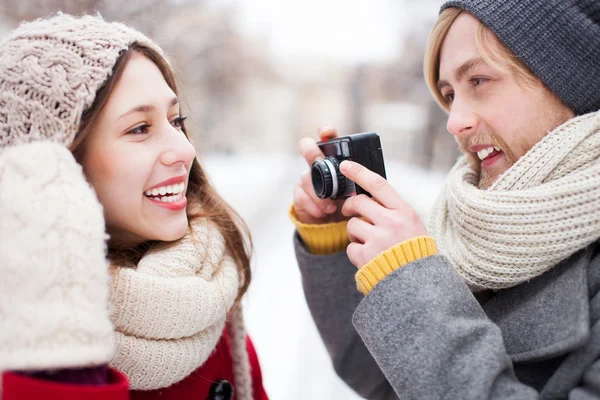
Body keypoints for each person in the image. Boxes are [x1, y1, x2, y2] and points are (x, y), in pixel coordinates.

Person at [290, 0, 600, 398]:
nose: (455, 121)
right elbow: (386, 383)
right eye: (450, 94)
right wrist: (332, 239)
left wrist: (410, 285)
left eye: (479, 81)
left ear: (568, 80)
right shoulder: (475, 227)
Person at [0, 13, 268, 400]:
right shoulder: (17, 335)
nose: (185, 149)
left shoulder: (200, 294)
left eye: (176, 121)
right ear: (56, 161)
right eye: (139, 128)